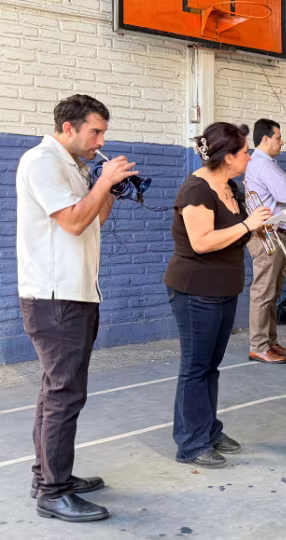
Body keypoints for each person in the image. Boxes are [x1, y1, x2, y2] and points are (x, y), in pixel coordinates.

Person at [16, 95, 137, 522]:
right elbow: (70, 221)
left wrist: (110, 190)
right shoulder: (42, 162)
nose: (100, 141)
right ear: (69, 128)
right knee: (65, 395)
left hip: (73, 294)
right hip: (56, 298)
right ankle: (53, 492)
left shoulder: (73, 166)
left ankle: (47, 476)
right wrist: (102, 182)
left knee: (55, 391)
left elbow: (91, 221)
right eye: (95, 132)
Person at [164, 122, 272, 469]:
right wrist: (247, 225)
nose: (249, 157)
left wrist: (255, 228)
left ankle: (208, 430)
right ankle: (191, 443)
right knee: (196, 367)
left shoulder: (230, 187)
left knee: (210, 366)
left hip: (224, 288)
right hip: (196, 290)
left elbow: (234, 234)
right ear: (228, 157)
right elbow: (202, 242)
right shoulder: (196, 190)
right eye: (245, 152)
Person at [244, 119, 286, 364]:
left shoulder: (268, 163)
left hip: (275, 232)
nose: (282, 142)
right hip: (268, 234)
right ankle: (258, 346)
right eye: (278, 137)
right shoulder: (262, 164)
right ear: (265, 139)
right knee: (264, 292)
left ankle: (269, 341)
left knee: (272, 291)